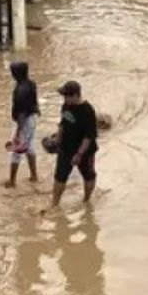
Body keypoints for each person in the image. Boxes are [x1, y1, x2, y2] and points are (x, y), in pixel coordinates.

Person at [50, 80, 99, 208]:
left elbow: (89, 137)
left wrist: (79, 154)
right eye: (64, 96)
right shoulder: (66, 105)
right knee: (59, 177)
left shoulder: (87, 111)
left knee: (89, 176)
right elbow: (63, 124)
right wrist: (57, 140)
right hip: (65, 148)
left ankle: (86, 200)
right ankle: (54, 204)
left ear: (77, 95)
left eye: (67, 96)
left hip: (85, 152)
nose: (65, 99)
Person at [5, 61, 39, 188]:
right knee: (29, 147)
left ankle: (12, 181)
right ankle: (34, 176)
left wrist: (18, 133)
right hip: (31, 119)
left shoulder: (20, 90)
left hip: (23, 122)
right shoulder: (31, 84)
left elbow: (21, 114)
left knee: (16, 151)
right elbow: (34, 101)